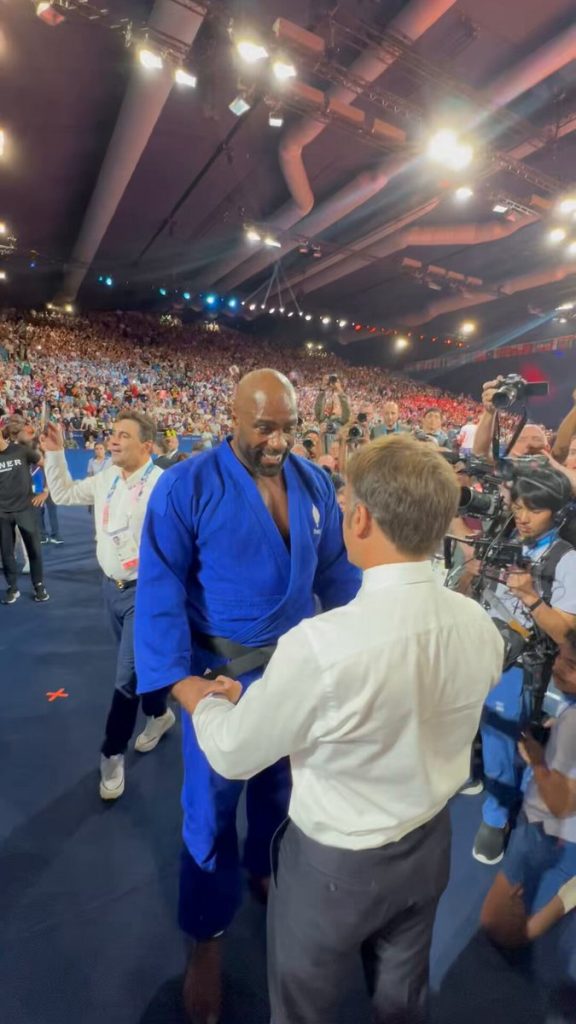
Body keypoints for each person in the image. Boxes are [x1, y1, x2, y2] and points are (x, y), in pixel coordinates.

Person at [176, 435, 504, 1024]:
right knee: (401, 1002)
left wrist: (204, 700)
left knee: (305, 1010)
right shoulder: (480, 626)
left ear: (358, 519)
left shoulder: (321, 646)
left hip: (335, 868)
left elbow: (231, 754)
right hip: (429, 845)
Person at [134, 369, 361, 1024]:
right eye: (265, 426)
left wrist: (357, 641)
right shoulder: (188, 485)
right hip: (221, 676)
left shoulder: (313, 482)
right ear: (231, 416)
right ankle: (206, 938)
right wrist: (184, 685)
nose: (278, 439)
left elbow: (339, 576)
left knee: (280, 789)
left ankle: (264, 872)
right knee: (209, 808)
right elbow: (160, 589)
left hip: (292, 671)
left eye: (288, 425)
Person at [42, 412, 173, 801]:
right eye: (113, 434)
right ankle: (159, 713)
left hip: (145, 594)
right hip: (110, 590)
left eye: (123, 435)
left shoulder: (163, 485)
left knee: (125, 676)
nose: (113, 440)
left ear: (146, 446)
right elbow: (63, 494)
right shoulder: (106, 478)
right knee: (136, 667)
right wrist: (55, 455)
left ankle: (112, 751)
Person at [472, 466, 576, 865]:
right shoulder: (508, 537)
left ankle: (497, 817)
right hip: (490, 644)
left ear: (556, 512)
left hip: (532, 664)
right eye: (518, 507)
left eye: (535, 509)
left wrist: (532, 597)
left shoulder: (566, 560)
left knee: (505, 732)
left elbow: (565, 633)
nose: (523, 516)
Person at [480, 632, 576, 949]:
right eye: (560, 657)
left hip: (551, 833)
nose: (558, 668)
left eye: (571, 664)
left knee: (499, 928)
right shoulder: (568, 707)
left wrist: (536, 760)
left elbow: (561, 804)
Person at [0, 419, 49, 605]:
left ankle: (39, 586)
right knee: (6, 553)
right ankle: (12, 588)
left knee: (34, 550)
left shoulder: (21, 451)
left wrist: (46, 491)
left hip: (25, 509)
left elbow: (46, 465)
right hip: (2, 513)